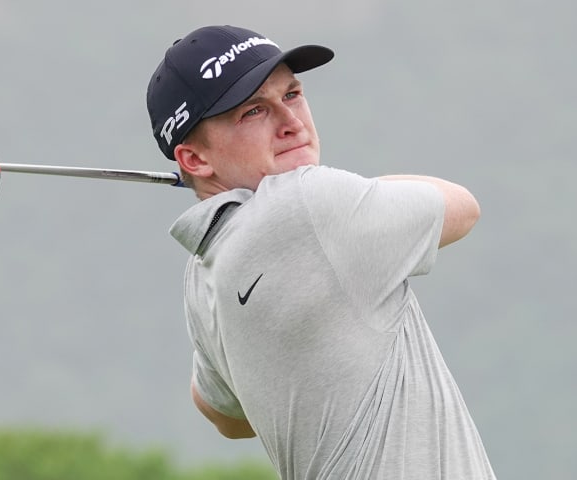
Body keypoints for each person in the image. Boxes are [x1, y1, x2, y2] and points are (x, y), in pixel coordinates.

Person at [146, 25, 497, 479]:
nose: (290, 121)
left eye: (291, 94)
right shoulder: (312, 203)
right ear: (194, 160)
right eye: (252, 112)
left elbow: (225, 417)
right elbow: (463, 208)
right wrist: (357, 195)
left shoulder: (202, 273)